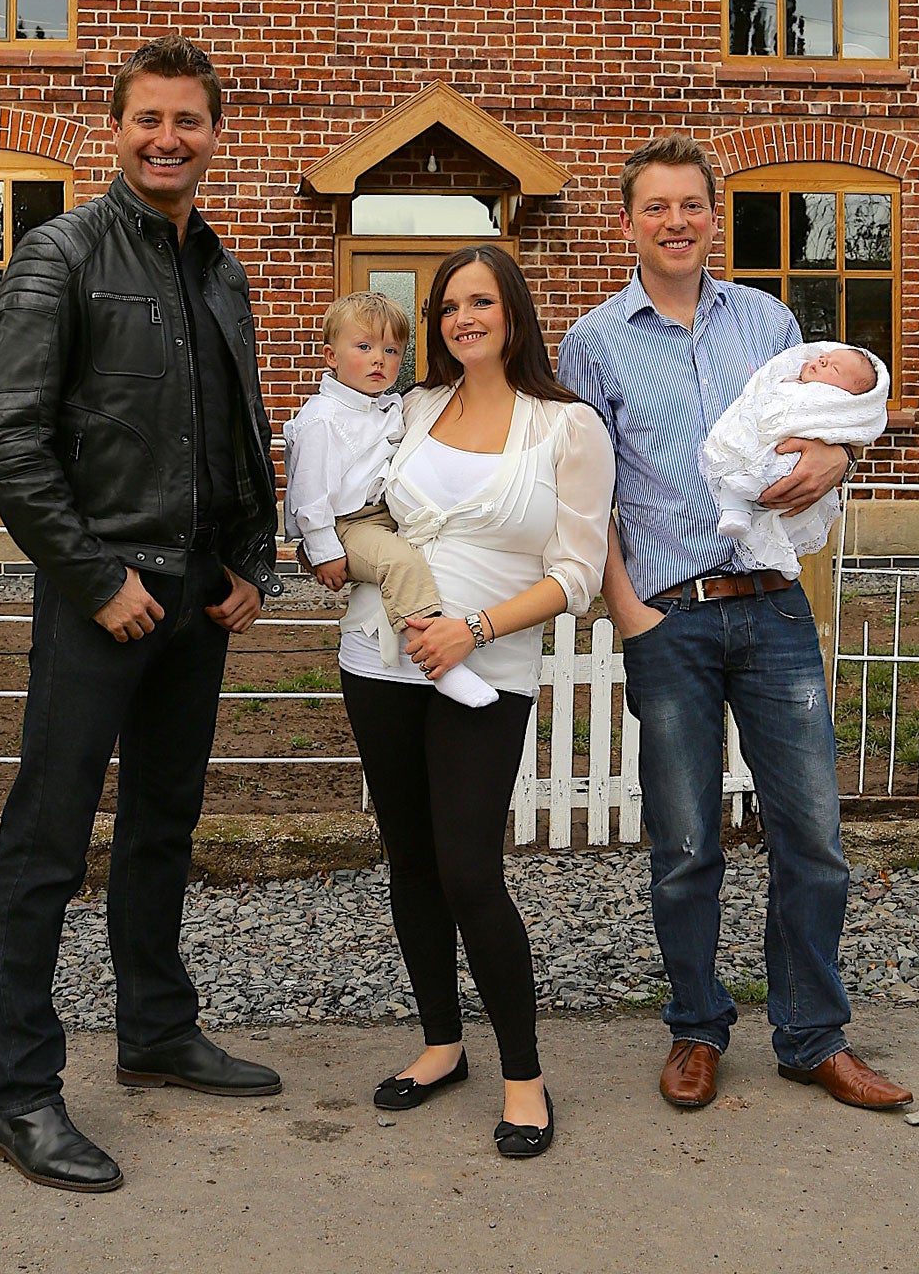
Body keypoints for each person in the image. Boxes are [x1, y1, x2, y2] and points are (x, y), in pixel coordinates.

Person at [0, 37, 285, 1194]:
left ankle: (154, 1029)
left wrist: (249, 557)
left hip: (197, 597)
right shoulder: (60, 252)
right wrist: (97, 578)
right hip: (100, 597)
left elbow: (235, 428)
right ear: (114, 129)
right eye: (147, 118)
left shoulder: (220, 268)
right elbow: (7, 442)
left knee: (163, 826)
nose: (168, 137)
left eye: (188, 120)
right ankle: (20, 1092)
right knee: (46, 842)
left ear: (214, 133)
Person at [556, 133, 912, 1115]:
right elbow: (584, 493)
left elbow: (823, 421)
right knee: (682, 841)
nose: (674, 220)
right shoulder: (591, 341)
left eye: (690, 204)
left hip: (774, 609)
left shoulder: (767, 319)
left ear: (715, 215)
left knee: (813, 835)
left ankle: (810, 1035)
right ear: (625, 221)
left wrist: (837, 461)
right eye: (654, 206)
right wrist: (624, 608)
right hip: (666, 615)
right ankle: (694, 1026)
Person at [337, 244, 615, 1158]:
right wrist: (319, 542)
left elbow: (574, 576)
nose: (463, 319)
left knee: (469, 871)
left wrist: (476, 629)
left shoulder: (565, 427)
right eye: (449, 306)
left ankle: (524, 1076)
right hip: (379, 658)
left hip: (482, 673)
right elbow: (351, 500)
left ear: (514, 313)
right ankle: (439, 1044)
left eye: (481, 302)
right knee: (410, 861)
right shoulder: (410, 408)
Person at [283, 291, 496, 708]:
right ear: (331, 356)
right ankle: (435, 657)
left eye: (391, 349)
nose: (379, 359)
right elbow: (309, 496)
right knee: (399, 562)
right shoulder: (322, 418)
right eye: (363, 347)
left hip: (383, 516)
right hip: (348, 524)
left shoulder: (387, 407)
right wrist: (323, 550)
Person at [703, 342, 889, 573]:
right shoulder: (786, 379)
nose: (822, 361)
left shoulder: (775, 320)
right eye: (825, 357)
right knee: (734, 462)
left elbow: (852, 428)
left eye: (834, 368)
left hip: (776, 588)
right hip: (671, 591)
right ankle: (736, 508)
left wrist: (843, 455)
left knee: (768, 471)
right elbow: (757, 397)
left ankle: (741, 508)